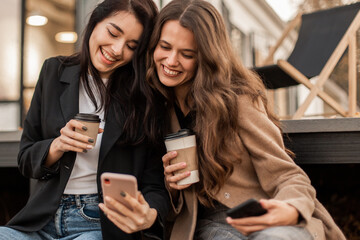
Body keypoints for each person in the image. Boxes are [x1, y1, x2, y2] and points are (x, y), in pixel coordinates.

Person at [145, 0, 346, 239]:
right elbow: (167, 205)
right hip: (208, 226)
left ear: (205, 57)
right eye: (164, 47)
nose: (170, 61)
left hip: (264, 216)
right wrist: (174, 188)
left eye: (187, 54)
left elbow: (287, 175)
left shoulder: (236, 101)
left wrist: (290, 209)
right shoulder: (155, 108)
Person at [0, 0, 169, 239]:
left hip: (99, 223)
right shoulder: (53, 72)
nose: (118, 49)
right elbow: (26, 158)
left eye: (132, 45)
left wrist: (149, 213)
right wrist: (57, 146)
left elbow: (155, 185)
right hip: (41, 220)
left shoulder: (145, 98)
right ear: (94, 22)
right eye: (113, 32)